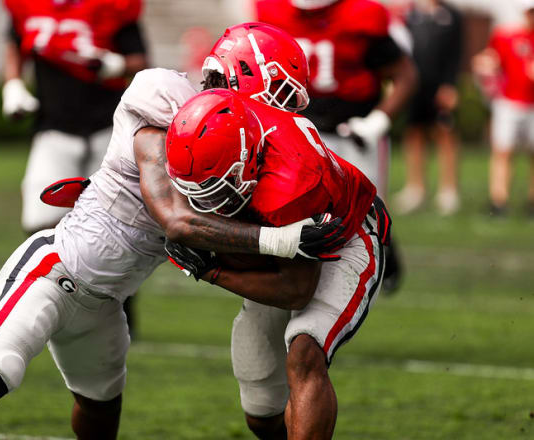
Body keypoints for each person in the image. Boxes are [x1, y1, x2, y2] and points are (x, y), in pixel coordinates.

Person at [0, 61, 348, 438]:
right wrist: (282, 239)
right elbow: (177, 222)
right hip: (51, 273)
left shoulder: (228, 146)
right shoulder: (160, 112)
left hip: (105, 305)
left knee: (99, 414)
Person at [164, 88, 390, 440]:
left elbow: (296, 290)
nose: (206, 203)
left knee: (305, 350)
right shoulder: (218, 117)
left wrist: (212, 271)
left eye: (216, 189)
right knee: (260, 410)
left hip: (345, 236)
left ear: (249, 160)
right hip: (276, 235)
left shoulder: (291, 185)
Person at [252, 0, 417, 293]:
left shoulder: (362, 16)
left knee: (369, 211)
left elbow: (405, 75)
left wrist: (377, 121)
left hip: (354, 131)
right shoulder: (272, 11)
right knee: (291, 210)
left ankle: (383, 255)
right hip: (297, 131)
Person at [1, 0, 149, 234]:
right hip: (53, 127)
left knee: (114, 226)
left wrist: (115, 63)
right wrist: (13, 83)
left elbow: (141, 61)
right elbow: (16, 42)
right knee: (39, 222)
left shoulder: (112, 6)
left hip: (107, 130)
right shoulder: (29, 6)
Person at [393, 0, 463, 216]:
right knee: (414, 134)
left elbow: (457, 53)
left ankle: (448, 190)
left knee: (444, 134)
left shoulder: (451, 15)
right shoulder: (409, 13)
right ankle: (415, 188)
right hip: (414, 85)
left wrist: (450, 84)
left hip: (440, 85)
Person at [473, 0, 534, 217]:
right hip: (509, 102)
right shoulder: (506, 36)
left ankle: (531, 200)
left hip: (532, 104)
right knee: (503, 151)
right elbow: (492, 61)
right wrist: (484, 66)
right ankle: (499, 199)